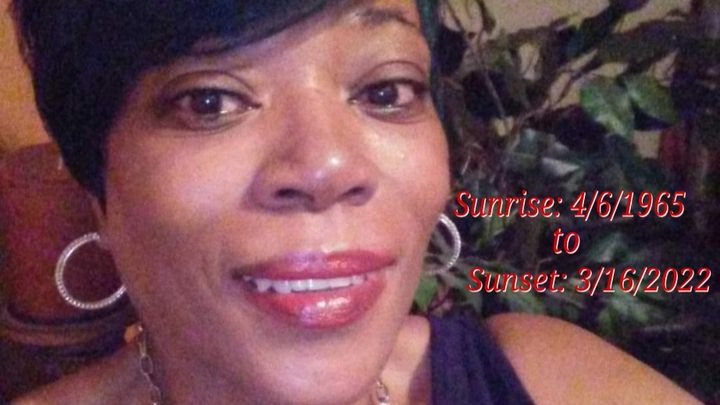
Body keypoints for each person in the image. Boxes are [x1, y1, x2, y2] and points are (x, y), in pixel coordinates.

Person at [7, 0, 701, 404]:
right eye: (209, 101)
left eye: (385, 90)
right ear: (95, 178)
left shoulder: (548, 379)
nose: (327, 166)